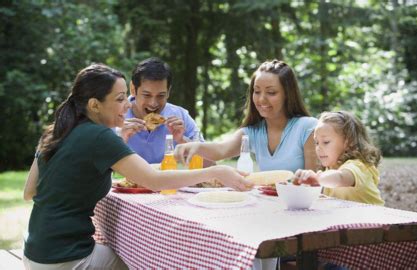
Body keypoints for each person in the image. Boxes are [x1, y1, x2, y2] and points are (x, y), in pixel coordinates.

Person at [22, 64, 252, 270]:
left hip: (35, 254)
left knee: (130, 252)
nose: (127, 105)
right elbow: (153, 180)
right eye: (120, 99)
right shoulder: (100, 136)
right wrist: (216, 171)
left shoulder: (56, 131)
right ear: (94, 105)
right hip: (66, 260)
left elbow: (29, 192)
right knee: (145, 259)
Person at [174, 59, 318, 270]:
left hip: (300, 219)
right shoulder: (253, 131)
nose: (261, 99)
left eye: (271, 92)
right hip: (267, 215)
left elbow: (314, 182)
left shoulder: (308, 127)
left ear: (288, 94)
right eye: (256, 91)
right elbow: (221, 150)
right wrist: (191, 145)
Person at [119, 57, 205, 164]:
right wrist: (120, 140)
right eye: (147, 95)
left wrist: (182, 140)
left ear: (168, 92)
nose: (153, 103)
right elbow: (96, 171)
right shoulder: (114, 116)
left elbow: (210, 164)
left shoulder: (180, 115)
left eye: (161, 95)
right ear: (132, 89)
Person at [293, 111, 384, 205]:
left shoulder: (358, 166)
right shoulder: (329, 169)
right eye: (316, 142)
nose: (319, 148)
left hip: (373, 218)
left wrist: (316, 178)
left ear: (349, 142)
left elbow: (340, 178)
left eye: (326, 142)